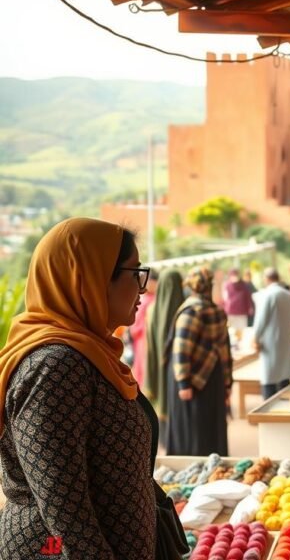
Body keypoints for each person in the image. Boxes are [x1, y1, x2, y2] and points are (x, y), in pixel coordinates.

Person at [0, 218, 157, 557]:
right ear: (92, 279)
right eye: (135, 273)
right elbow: (64, 513)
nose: (143, 288)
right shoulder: (55, 368)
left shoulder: (92, 356)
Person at [166, 266, 233, 456]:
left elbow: (181, 349)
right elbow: (225, 351)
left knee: (190, 432)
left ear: (192, 287)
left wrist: (183, 382)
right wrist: (227, 383)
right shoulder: (217, 311)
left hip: (192, 383)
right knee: (211, 431)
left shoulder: (191, 311)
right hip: (213, 378)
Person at [143, 269, 185, 445]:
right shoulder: (183, 310)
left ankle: (164, 441)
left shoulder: (152, 309)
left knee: (161, 396)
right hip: (179, 368)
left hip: (157, 364)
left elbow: (150, 342)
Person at [253, 268, 290, 400]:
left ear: (266, 279)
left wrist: (255, 338)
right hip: (287, 339)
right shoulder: (288, 295)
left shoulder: (267, 295)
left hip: (271, 342)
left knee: (269, 378)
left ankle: (268, 407)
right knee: (285, 376)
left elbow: (261, 320)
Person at [128, 268, 159, 386]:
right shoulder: (147, 299)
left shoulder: (148, 300)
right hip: (142, 340)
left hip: (144, 340)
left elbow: (135, 327)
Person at [222, 267, 254, 336]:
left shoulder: (244, 285)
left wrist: (250, 307)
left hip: (241, 312)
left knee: (241, 331)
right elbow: (225, 298)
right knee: (232, 331)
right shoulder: (227, 285)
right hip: (231, 312)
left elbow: (248, 297)